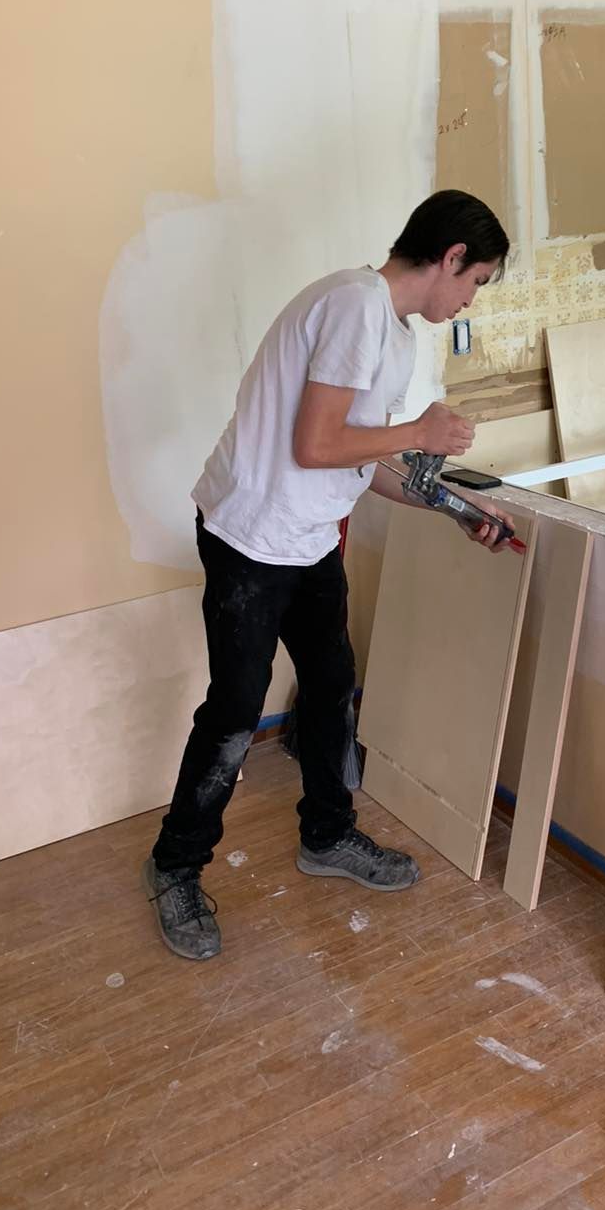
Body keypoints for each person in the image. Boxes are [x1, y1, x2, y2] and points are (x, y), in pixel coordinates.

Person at [145, 189, 517, 960]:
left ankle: (327, 835)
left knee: (329, 686)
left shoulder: (397, 335)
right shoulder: (354, 305)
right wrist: (422, 429)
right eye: (475, 280)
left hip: (307, 539)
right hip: (250, 536)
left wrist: (453, 509)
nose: (469, 297)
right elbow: (316, 444)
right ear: (449, 257)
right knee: (236, 715)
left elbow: (359, 454)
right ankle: (175, 865)